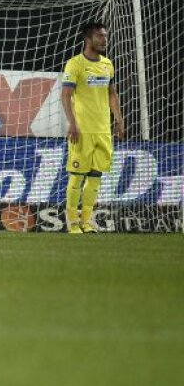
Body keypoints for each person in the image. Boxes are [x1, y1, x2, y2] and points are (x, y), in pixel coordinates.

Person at [61, 21, 124, 234]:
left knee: (96, 177)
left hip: (103, 130)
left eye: (105, 36)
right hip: (83, 130)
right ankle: (72, 221)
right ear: (88, 39)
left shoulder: (107, 64)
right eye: (100, 36)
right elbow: (66, 95)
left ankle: (87, 221)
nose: (104, 40)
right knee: (77, 176)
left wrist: (119, 119)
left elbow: (111, 93)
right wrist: (72, 122)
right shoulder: (75, 64)